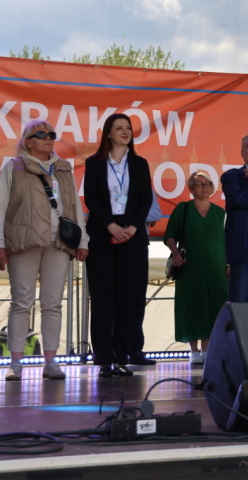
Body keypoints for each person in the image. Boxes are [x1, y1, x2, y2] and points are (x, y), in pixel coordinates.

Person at [0, 120, 88, 381]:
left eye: (51, 135)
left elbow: (75, 207)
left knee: (53, 304)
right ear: (28, 142)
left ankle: (51, 362)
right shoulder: (14, 167)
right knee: (21, 303)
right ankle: (15, 363)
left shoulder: (63, 168)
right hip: (24, 242)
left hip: (59, 243)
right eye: (41, 134)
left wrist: (83, 241)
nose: (48, 138)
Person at [83, 113, 153, 378]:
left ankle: (121, 357)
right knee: (102, 299)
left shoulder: (139, 163)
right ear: (108, 133)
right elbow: (91, 198)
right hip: (103, 235)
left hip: (133, 238)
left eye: (128, 128)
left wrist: (132, 228)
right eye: (119, 128)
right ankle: (103, 360)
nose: (125, 132)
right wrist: (111, 225)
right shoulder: (95, 163)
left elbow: (145, 199)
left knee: (128, 299)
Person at [166, 171, 229, 364]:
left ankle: (207, 350)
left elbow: (227, 240)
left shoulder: (220, 212)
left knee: (213, 305)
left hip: (216, 267)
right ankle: (193, 351)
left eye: (207, 184)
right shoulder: (183, 209)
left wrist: (228, 265)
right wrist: (176, 253)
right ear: (191, 189)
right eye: (199, 184)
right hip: (189, 267)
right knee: (191, 305)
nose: (204, 187)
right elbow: (170, 235)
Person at [125, 191, 164, 368]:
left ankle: (135, 349)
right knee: (116, 300)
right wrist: (140, 215)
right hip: (114, 245)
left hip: (139, 244)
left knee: (138, 300)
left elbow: (156, 214)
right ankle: (114, 349)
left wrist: (130, 214)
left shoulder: (146, 189)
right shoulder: (112, 184)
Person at [221, 136, 248, 303]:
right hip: (245, 250)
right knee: (240, 304)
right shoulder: (232, 176)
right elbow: (238, 201)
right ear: (242, 153)